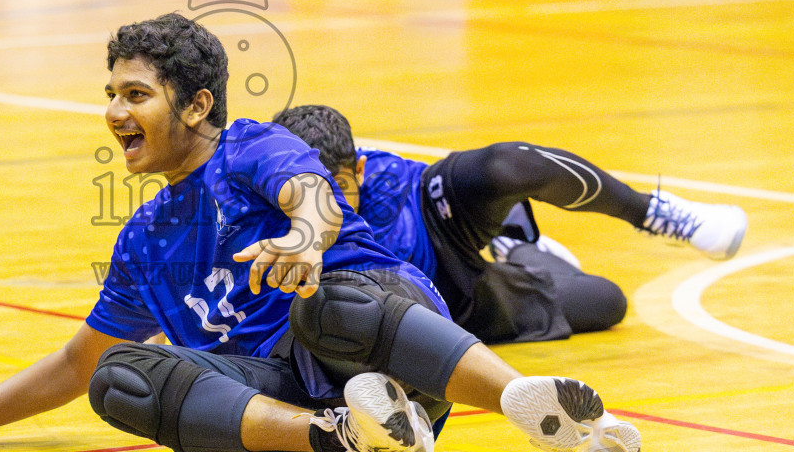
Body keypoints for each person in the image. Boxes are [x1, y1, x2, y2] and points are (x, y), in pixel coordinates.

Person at [0, 14, 642, 452]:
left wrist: (305, 237)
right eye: (110, 95)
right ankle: (349, 440)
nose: (115, 111)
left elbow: (313, 198)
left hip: (378, 351)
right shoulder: (144, 239)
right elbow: (72, 367)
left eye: (135, 94)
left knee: (329, 301)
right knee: (119, 377)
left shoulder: (249, 149)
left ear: (198, 106)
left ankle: (524, 404)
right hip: (295, 407)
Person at [271, 104, 747, 345]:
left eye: (337, 189)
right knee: (606, 300)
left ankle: (652, 212)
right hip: (450, 303)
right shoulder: (259, 217)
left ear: (358, 170)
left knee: (508, 165)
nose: (326, 208)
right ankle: (521, 250)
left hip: (435, 234)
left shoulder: (394, 183)